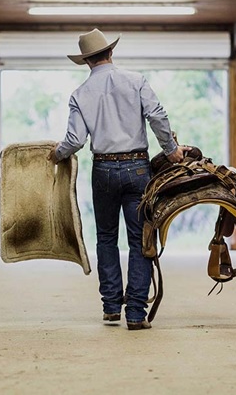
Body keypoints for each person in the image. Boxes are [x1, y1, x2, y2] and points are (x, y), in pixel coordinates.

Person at [48, 28, 190, 330]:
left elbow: (74, 140)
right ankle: (136, 313)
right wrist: (172, 149)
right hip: (138, 168)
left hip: (103, 170)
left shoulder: (80, 94)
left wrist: (56, 155)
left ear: (87, 61)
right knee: (140, 238)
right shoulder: (136, 81)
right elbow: (157, 115)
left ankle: (111, 306)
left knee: (106, 238)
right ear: (111, 53)